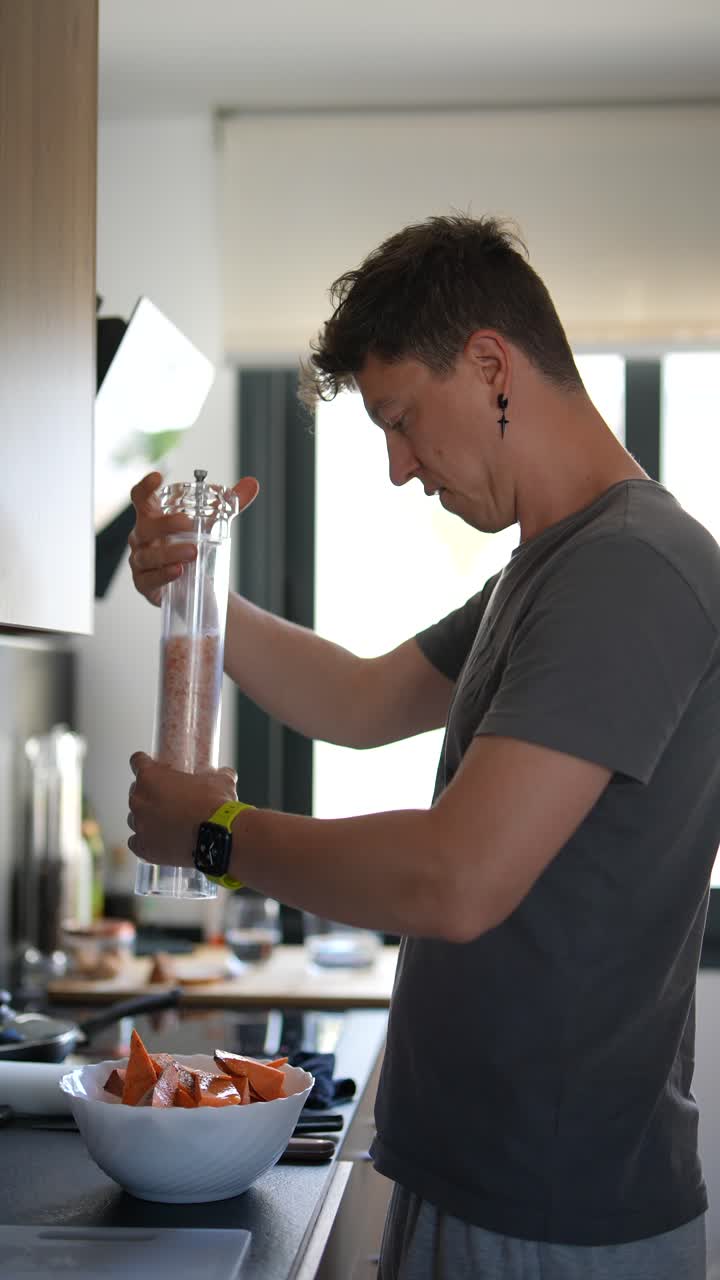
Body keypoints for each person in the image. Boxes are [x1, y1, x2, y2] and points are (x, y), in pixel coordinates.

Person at [127, 214, 720, 1279]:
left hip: (552, 1212)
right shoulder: (550, 564)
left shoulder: (632, 570)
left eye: (402, 421)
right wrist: (196, 585)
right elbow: (357, 699)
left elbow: (458, 877)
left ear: (491, 365)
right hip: (487, 1178)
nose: (400, 469)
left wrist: (213, 833)